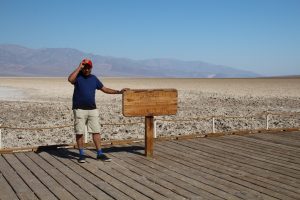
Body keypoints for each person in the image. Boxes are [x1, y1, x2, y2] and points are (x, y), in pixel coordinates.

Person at [68, 58, 127, 163]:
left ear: (91, 68)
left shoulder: (94, 78)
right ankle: (81, 154)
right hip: (79, 109)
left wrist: (119, 92)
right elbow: (70, 79)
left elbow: (104, 89)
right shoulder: (78, 77)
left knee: (96, 131)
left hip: (92, 109)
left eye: (88, 68)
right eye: (84, 67)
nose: (86, 70)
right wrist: (79, 68)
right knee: (79, 132)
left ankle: (99, 153)